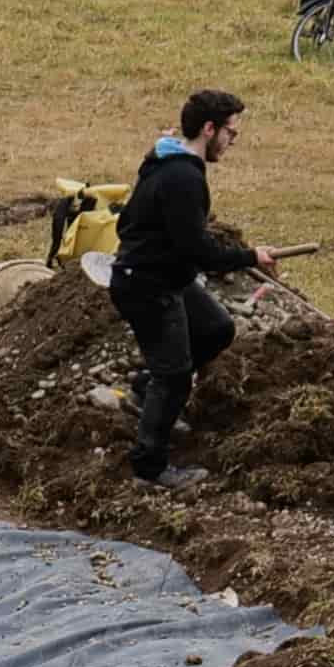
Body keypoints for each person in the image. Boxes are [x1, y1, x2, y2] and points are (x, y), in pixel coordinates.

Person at [111, 87, 286, 488]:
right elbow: (200, 251)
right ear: (209, 129)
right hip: (147, 285)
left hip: (162, 275)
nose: (232, 142)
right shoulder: (182, 176)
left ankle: (143, 389)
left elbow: (128, 226)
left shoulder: (164, 157)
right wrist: (250, 256)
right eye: (231, 133)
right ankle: (149, 468)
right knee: (174, 376)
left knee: (217, 328)